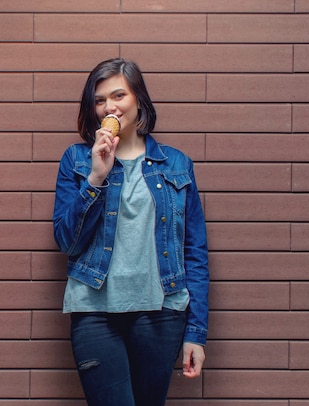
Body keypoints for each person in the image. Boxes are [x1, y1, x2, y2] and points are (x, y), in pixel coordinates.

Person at [53, 58, 209, 406]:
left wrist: (196, 334)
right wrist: (96, 178)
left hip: (161, 310)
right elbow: (68, 241)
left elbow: (194, 251)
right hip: (95, 311)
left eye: (118, 95)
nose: (109, 106)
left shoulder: (178, 164)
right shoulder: (77, 161)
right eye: (99, 99)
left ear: (139, 99)